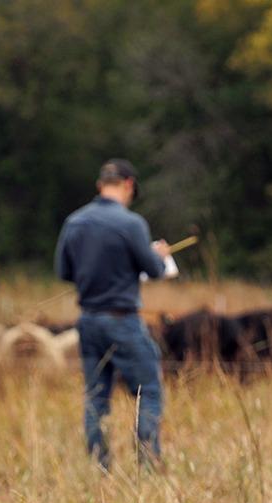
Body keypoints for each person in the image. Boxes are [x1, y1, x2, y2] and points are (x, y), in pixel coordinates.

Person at [54, 159, 171, 471]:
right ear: (129, 185)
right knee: (149, 391)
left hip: (87, 321)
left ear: (100, 185)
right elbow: (154, 270)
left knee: (96, 397)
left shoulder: (74, 222)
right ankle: (148, 467)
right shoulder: (131, 223)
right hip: (122, 320)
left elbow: (63, 271)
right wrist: (160, 256)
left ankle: (99, 467)